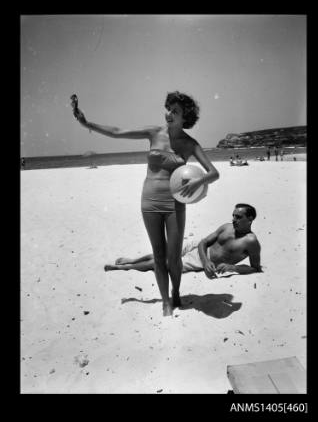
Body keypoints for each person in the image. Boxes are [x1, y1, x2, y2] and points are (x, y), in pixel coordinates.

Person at [72, 91, 219, 316]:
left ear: (185, 117)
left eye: (175, 111)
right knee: (158, 255)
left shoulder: (190, 144)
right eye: (168, 108)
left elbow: (213, 172)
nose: (169, 114)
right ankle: (166, 302)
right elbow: (118, 132)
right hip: (149, 200)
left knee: (174, 257)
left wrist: (198, 180)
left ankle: (176, 291)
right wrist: (86, 123)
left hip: (175, 204)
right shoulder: (154, 132)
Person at [105, 204, 261, 281]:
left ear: (250, 219)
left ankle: (126, 267)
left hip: (196, 261)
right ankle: (132, 260)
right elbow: (203, 243)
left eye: (238, 217)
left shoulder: (251, 242)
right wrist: (206, 261)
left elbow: (255, 268)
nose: (233, 219)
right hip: (196, 248)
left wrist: (231, 267)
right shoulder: (226, 227)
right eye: (233, 215)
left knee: (161, 263)